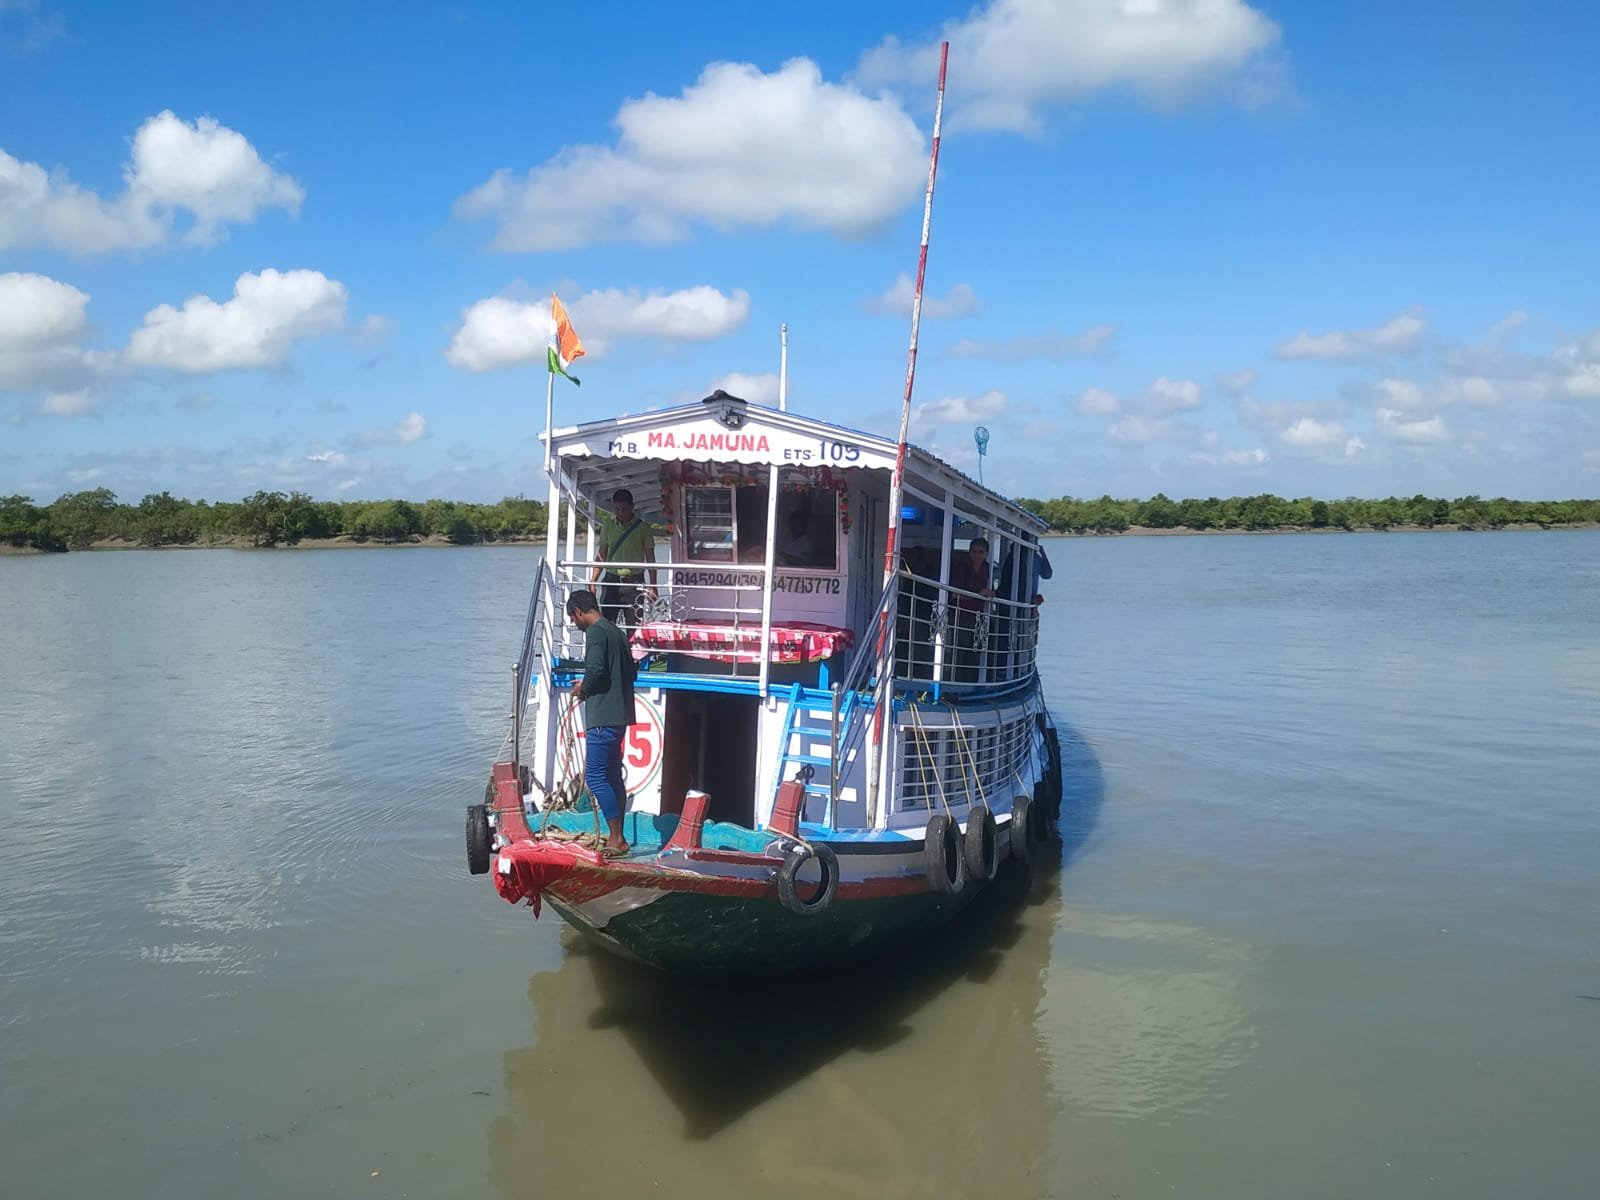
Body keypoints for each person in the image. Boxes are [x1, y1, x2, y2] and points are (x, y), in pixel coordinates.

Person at [567, 589, 637, 857]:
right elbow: (629, 671)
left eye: (574, 619)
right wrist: (588, 683)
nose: (576, 624)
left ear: (578, 612)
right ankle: (616, 836)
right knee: (612, 775)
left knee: (596, 777)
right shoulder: (617, 632)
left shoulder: (595, 632)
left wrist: (583, 688)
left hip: (602, 717)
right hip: (620, 716)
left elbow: (595, 670)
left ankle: (617, 839)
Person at [592, 488, 655, 631]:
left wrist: (653, 586)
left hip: (634, 582)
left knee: (633, 626)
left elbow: (651, 558)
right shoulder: (608, 526)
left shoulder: (643, 528)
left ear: (632, 507)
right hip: (611, 580)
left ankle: (631, 653)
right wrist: (593, 581)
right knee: (606, 624)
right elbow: (601, 555)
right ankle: (610, 653)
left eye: (624, 509)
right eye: (617, 509)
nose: (620, 513)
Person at [949, 536, 994, 682]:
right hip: (961, 616)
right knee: (959, 652)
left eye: (981, 552)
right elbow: (955, 594)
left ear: (986, 553)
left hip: (978, 616)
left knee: (975, 652)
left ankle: (970, 683)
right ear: (969, 552)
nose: (977, 555)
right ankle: (955, 684)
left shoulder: (987, 568)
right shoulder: (962, 568)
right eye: (974, 551)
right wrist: (978, 595)